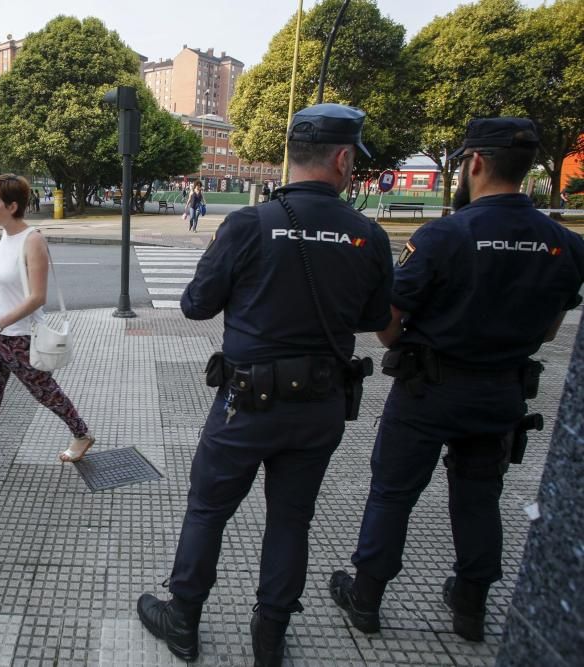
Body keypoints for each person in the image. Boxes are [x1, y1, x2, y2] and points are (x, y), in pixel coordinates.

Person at [136, 104, 394, 665]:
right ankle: (270, 636)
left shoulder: (249, 223)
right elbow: (377, 319)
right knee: (291, 520)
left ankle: (182, 621)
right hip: (320, 404)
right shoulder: (368, 236)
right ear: (344, 158)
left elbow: (197, 305)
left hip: (245, 406)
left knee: (208, 510)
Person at [328, 118, 584, 644]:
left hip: (428, 391)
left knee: (393, 493)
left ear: (475, 163)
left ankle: (368, 598)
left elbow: (390, 328)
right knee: (479, 496)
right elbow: (552, 329)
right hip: (503, 393)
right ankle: (470, 606)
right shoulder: (565, 243)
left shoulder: (444, 235)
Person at [0, 174, 94, 482]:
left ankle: (81, 434)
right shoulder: (4, 235)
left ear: (12, 206)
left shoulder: (32, 239)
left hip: (21, 336)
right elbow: (4, 289)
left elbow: (37, 297)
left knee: (45, 392)